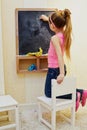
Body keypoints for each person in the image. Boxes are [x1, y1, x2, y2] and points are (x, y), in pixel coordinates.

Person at [40, 9, 87, 112]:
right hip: (59, 68)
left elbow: (60, 56)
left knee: (49, 92)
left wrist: (61, 74)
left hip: (54, 70)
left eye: (50, 22)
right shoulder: (65, 34)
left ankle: (75, 95)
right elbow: (57, 24)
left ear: (52, 26)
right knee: (58, 90)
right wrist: (47, 19)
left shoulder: (54, 38)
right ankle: (82, 92)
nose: (49, 24)